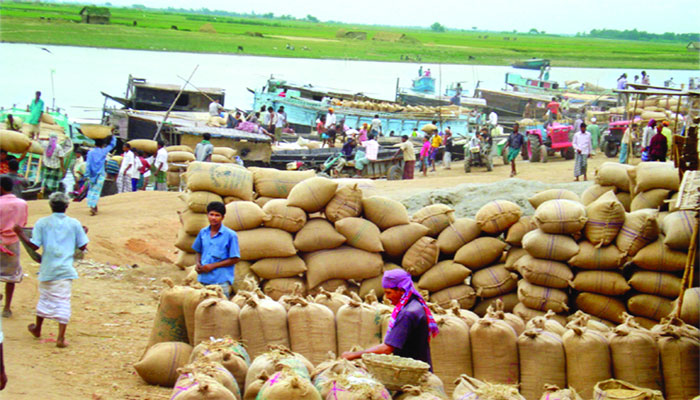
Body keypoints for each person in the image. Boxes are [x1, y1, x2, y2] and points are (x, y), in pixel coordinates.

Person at [14, 192, 88, 348]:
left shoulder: (42, 223)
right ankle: (60, 337)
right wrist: (80, 235)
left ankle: (38, 328)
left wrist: (20, 233)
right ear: (67, 206)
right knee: (63, 301)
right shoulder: (74, 224)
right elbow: (83, 246)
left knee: (45, 298)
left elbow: (34, 245)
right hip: (65, 269)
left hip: (48, 267)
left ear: (50, 205)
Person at [341, 269, 438, 368]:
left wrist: (353, 355)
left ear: (401, 290)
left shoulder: (407, 314)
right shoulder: (414, 304)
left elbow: (387, 349)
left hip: (411, 374)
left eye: (389, 293)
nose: (386, 297)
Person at [192, 201, 240, 298]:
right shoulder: (203, 232)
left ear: (222, 217)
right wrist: (198, 263)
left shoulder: (230, 235)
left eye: (217, 215)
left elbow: (235, 258)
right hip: (203, 280)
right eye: (211, 214)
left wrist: (212, 266)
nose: (213, 218)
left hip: (220, 282)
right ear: (207, 215)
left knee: (220, 309)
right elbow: (198, 250)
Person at [0, 176, 28, 318]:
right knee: (11, 276)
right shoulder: (22, 203)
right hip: (13, 242)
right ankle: (7, 308)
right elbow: (23, 223)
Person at [85, 135, 117, 215]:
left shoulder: (90, 153)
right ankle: (93, 206)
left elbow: (88, 164)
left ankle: (92, 206)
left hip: (92, 175)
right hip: (100, 174)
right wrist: (113, 136)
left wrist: (86, 174)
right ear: (102, 145)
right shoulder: (103, 151)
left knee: (91, 190)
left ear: (95, 144)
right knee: (96, 191)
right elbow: (112, 145)